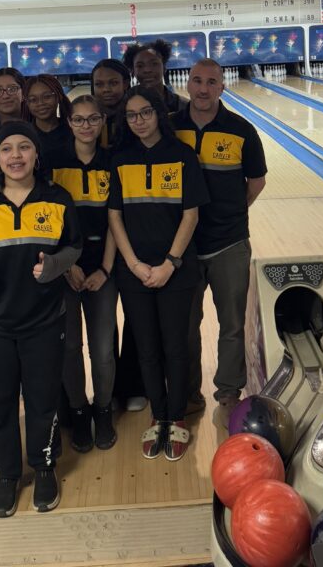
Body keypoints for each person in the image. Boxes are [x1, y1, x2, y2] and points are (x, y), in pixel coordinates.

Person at [0, 122, 82, 517]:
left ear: (37, 155)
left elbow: (73, 245)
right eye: (7, 148)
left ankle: (43, 466)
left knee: (43, 400)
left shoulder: (57, 198)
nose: (16, 156)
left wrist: (55, 265)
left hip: (44, 320)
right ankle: (7, 473)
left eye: (25, 147)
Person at [108, 86, 209, 462]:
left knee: (175, 346)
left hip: (176, 271)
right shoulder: (120, 159)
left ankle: (177, 416)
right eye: (131, 115)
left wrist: (170, 263)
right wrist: (133, 264)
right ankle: (158, 416)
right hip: (133, 270)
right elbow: (114, 216)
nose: (139, 121)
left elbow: (191, 215)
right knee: (147, 349)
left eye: (145, 112)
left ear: (159, 114)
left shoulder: (183, 156)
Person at [172, 59, 267, 426]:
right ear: (187, 85)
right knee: (186, 323)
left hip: (229, 242)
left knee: (232, 324)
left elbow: (256, 181)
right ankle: (189, 392)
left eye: (211, 82)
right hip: (185, 245)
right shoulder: (171, 128)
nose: (203, 88)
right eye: (196, 81)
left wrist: (231, 212)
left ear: (222, 88)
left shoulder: (242, 130)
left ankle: (228, 391)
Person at [45, 95, 117, 453]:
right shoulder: (54, 162)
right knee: (70, 347)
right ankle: (78, 409)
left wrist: (105, 268)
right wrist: (65, 264)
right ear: (68, 123)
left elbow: (117, 222)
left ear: (102, 121)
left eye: (93, 119)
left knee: (103, 348)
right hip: (65, 270)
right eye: (79, 120)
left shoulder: (112, 162)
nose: (86, 126)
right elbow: (46, 222)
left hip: (104, 267)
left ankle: (103, 409)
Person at [90, 57, 147, 413]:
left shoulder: (136, 122)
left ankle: (134, 383)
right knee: (105, 323)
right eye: (100, 84)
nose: (107, 90)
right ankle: (108, 389)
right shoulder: (86, 124)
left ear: (126, 85)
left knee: (137, 316)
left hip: (135, 229)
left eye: (113, 83)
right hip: (97, 234)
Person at [122, 39, 186, 113]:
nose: (147, 70)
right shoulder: (125, 106)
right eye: (140, 66)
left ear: (164, 67)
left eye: (154, 64)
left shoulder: (183, 106)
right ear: (133, 71)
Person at [25, 74, 72, 158]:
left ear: (58, 97)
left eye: (47, 97)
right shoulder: (23, 135)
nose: (40, 103)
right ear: (27, 103)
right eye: (33, 99)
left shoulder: (74, 130)